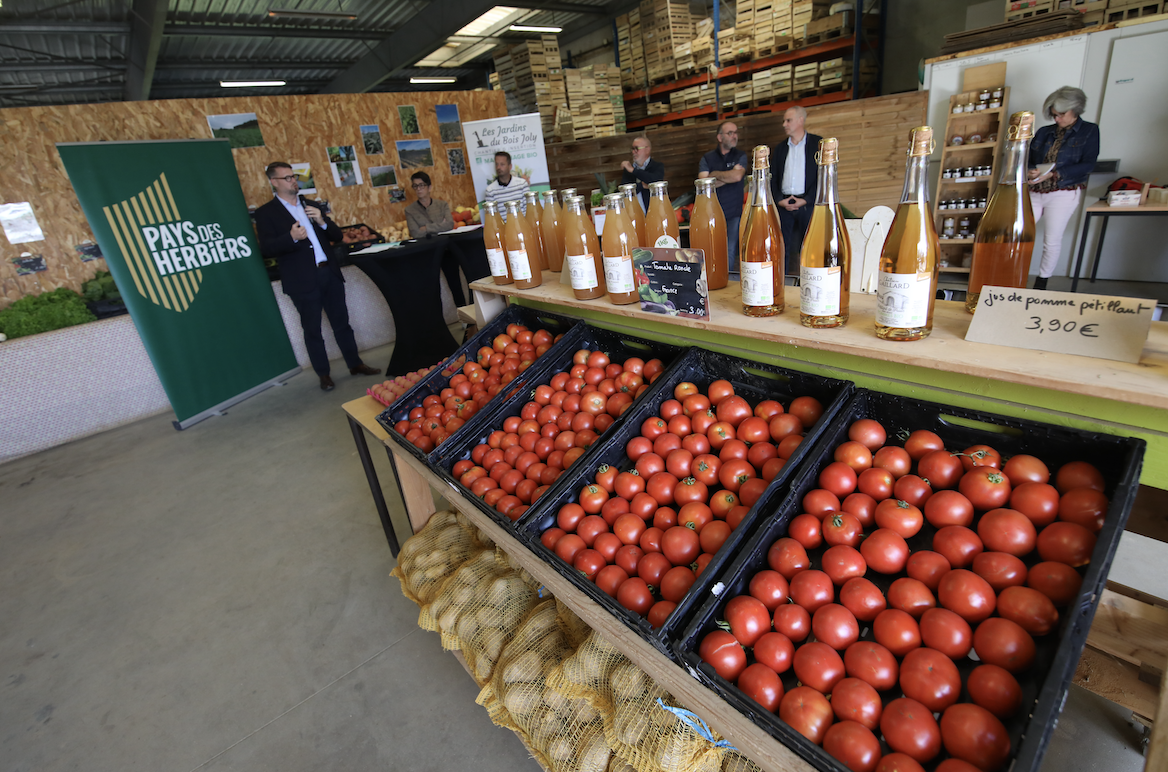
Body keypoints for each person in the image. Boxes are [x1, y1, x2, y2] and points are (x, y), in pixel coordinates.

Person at [254, 161, 380, 392]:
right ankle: (324, 375)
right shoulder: (266, 213)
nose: (294, 181)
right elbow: (266, 248)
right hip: (302, 281)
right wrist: (291, 237)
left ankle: (355, 364)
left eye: (294, 177)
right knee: (313, 330)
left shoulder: (311, 205)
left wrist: (322, 220)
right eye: (287, 178)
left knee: (342, 324)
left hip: (328, 273)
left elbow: (336, 236)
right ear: (274, 182)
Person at [1028, 86, 1100, 290]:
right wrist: (1031, 171)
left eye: (1061, 115)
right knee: (1021, 234)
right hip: (1035, 190)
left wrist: (1056, 173)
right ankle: (1014, 272)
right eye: (1054, 115)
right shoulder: (1044, 132)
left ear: (1075, 109)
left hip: (1063, 191)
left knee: (1051, 239)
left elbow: (1088, 165)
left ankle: (1041, 282)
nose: (1057, 119)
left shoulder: (1089, 131)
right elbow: (1029, 160)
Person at [770, 106, 822, 279]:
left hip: (807, 203)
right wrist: (779, 200)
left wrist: (806, 200)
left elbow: (822, 177)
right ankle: (782, 282)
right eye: (784, 121)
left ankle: (808, 280)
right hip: (784, 203)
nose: (784, 124)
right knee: (781, 245)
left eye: (788, 120)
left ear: (801, 120)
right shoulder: (780, 149)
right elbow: (773, 177)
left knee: (809, 244)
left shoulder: (816, 144)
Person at [404, 171, 468, 307]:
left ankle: (465, 319)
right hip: (425, 252)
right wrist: (439, 226)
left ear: (429, 187)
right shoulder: (410, 210)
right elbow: (415, 233)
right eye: (415, 186)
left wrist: (426, 228)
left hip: (446, 249)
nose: (419, 189)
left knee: (455, 283)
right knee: (431, 288)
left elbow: (449, 224)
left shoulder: (442, 205)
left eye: (421, 185)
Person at [698, 121, 749, 273]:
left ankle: (726, 281)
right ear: (720, 137)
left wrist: (714, 175)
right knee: (711, 248)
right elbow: (703, 183)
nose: (734, 136)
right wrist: (728, 175)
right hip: (711, 213)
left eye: (736, 132)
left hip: (733, 212)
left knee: (730, 250)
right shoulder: (707, 158)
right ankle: (713, 279)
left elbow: (738, 177)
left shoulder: (740, 155)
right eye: (730, 133)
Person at [620, 135, 665, 210]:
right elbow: (624, 191)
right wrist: (642, 185)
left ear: (647, 150)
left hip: (654, 211)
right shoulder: (628, 170)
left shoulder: (657, 166)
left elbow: (656, 183)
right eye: (632, 149)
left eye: (636, 148)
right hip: (633, 213)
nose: (633, 152)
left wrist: (633, 171)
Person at [483, 151, 529, 218]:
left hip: (522, 226)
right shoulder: (490, 190)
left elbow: (528, 210)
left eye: (502, 164)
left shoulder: (522, 184)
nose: (498, 167)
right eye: (496, 164)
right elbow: (492, 217)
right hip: (503, 228)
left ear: (510, 166)